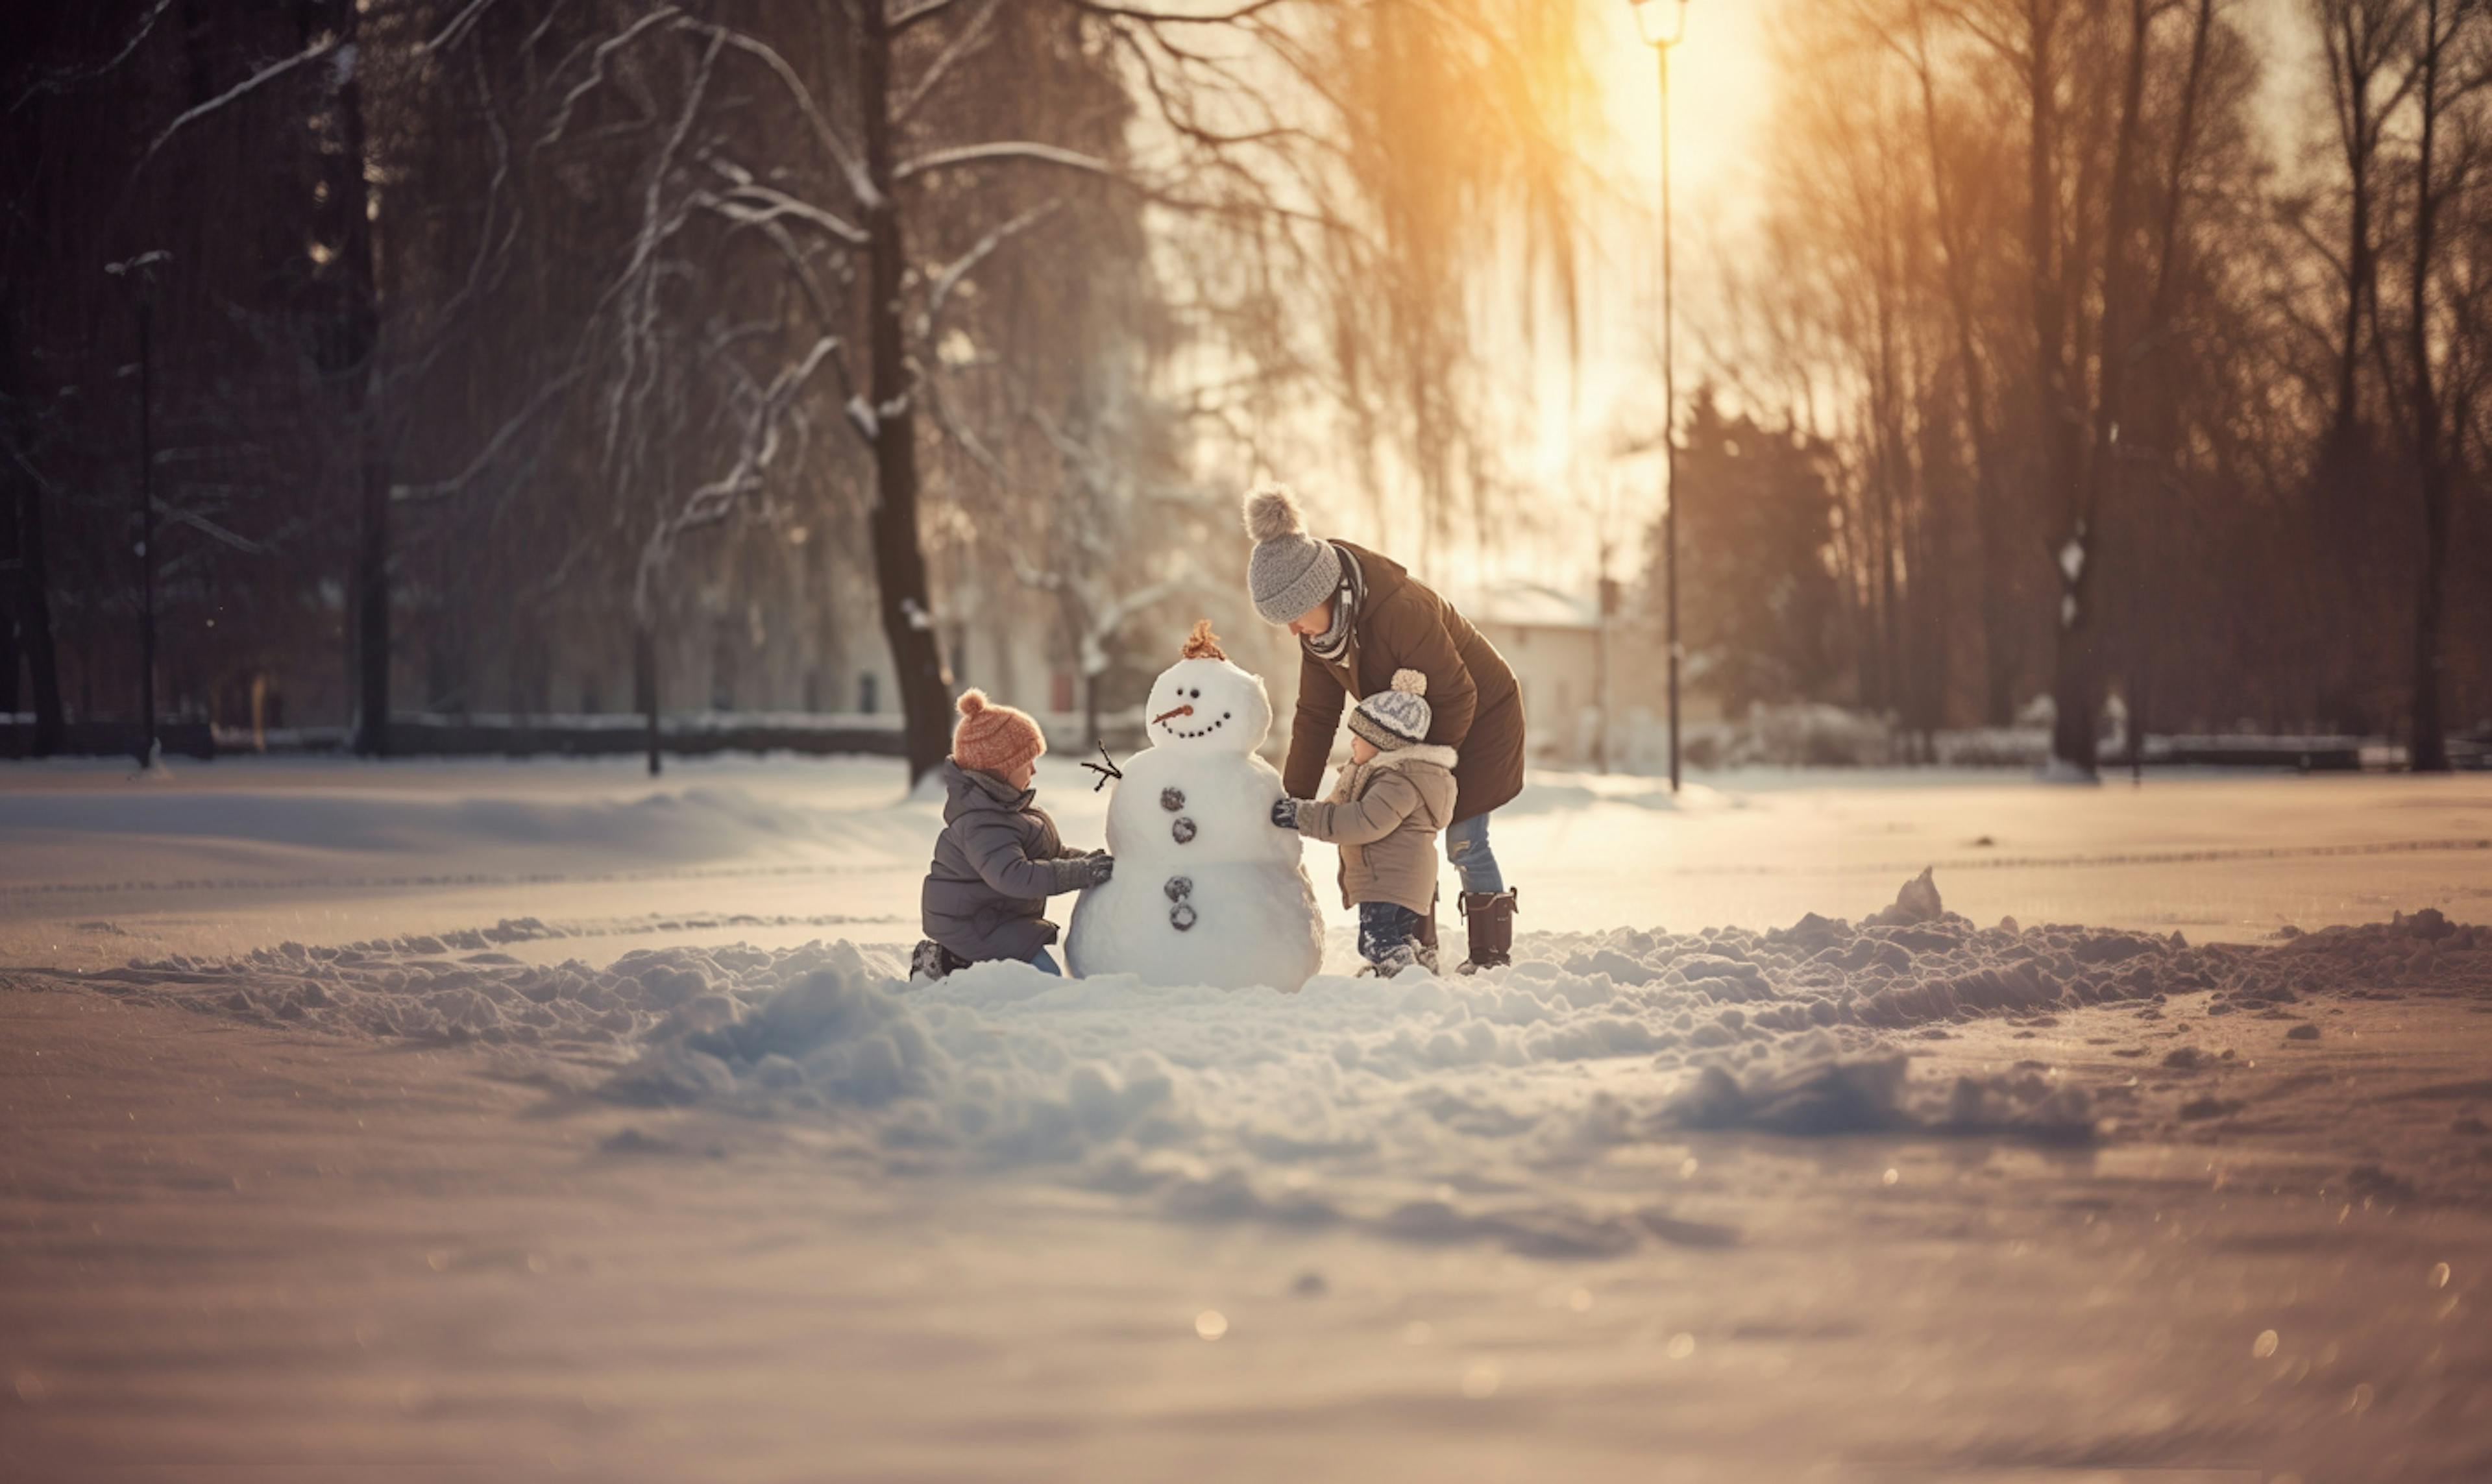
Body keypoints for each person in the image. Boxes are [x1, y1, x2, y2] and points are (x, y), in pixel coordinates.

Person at [1243, 483, 1524, 971]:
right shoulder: (1324, 635)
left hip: (1479, 718)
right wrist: (1292, 803)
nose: (1292, 631)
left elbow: (1459, 696)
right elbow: (1315, 716)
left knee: (1463, 838)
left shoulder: (1399, 611)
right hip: (1409, 732)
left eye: (1293, 616)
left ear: (1320, 592)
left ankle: (1490, 957)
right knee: (1403, 835)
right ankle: (1418, 952)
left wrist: (1410, 768)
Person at [914, 690, 1113, 980]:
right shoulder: (981, 823)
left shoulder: (1007, 809)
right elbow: (1014, 875)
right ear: (999, 771)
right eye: (1026, 762)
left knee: (1044, 976)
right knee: (1044, 978)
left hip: (996, 916)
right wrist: (1079, 873)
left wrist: (1092, 863)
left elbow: (1052, 856)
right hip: (973, 925)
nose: (1033, 769)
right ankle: (949, 961)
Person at [1272, 670, 1458, 974]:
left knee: (1377, 940)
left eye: (1360, 735)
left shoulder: (1398, 782)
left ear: (1383, 741)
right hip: (1401, 879)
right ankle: (1413, 969)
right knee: (1397, 935)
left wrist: (1301, 816)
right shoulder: (1398, 776)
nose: (1353, 741)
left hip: (1388, 880)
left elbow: (1361, 822)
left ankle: (1404, 975)